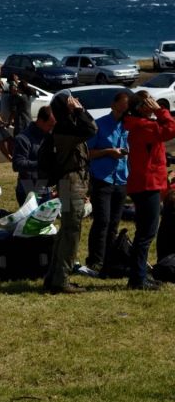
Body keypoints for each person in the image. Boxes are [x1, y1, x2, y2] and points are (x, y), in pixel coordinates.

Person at [43, 91, 98, 294]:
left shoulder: (65, 127)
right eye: (71, 100)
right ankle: (61, 280)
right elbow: (92, 128)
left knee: (65, 231)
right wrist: (80, 110)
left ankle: (53, 277)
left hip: (69, 183)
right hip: (72, 184)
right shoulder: (67, 128)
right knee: (71, 233)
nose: (76, 102)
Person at [124, 91, 175, 290]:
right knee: (146, 234)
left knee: (144, 233)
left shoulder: (136, 124)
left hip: (144, 183)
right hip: (147, 185)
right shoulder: (143, 126)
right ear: (142, 107)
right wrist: (160, 110)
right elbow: (171, 129)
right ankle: (137, 279)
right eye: (149, 102)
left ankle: (139, 275)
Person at [84, 92, 130, 275]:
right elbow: (88, 153)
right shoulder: (100, 125)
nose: (125, 110)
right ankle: (95, 259)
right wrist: (108, 152)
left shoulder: (129, 126)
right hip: (102, 178)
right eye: (122, 106)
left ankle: (110, 258)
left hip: (121, 179)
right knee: (102, 220)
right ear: (114, 105)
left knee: (114, 222)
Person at [12, 105, 56, 205]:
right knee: (31, 220)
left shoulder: (49, 137)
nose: (51, 129)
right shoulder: (23, 138)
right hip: (28, 187)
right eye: (50, 125)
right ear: (40, 121)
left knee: (46, 220)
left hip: (46, 187)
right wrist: (42, 164)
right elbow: (17, 164)